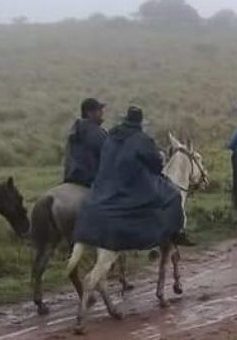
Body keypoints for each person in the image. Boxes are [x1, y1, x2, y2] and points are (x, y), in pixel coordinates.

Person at [74, 107, 185, 251]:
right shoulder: (142, 139)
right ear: (140, 122)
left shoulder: (111, 135)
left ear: (126, 119)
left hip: (107, 181)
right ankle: (173, 234)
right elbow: (156, 165)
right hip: (133, 183)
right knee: (174, 196)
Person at [63, 98, 107, 187]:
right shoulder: (96, 132)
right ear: (89, 113)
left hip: (71, 176)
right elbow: (108, 153)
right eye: (99, 110)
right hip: (89, 179)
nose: (102, 113)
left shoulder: (75, 129)